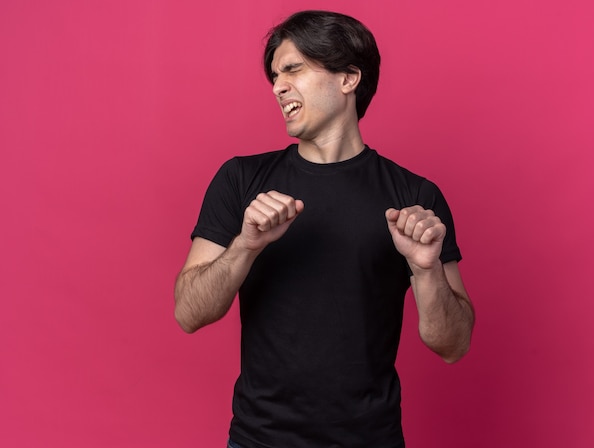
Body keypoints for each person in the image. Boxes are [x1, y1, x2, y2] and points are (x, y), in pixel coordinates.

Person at [174, 10, 475, 448]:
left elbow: (454, 345)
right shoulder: (241, 180)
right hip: (260, 440)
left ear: (348, 78)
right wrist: (246, 245)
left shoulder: (415, 196)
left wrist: (427, 268)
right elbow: (188, 313)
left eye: (293, 69)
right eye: (274, 75)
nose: (278, 86)